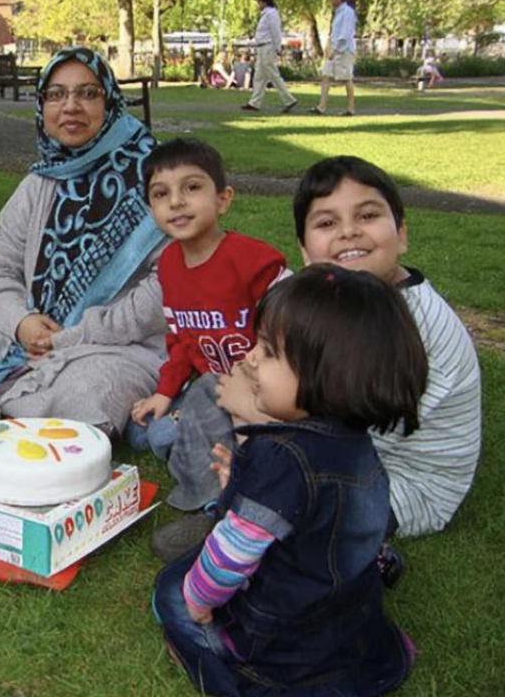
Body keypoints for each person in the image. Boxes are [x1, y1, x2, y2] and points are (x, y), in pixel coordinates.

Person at [165, 156, 482, 555]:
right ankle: (221, 491)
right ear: (305, 250)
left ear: (401, 234)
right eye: (327, 223)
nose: (349, 232)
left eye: (367, 215)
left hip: (397, 488)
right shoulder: (346, 303)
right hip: (355, 453)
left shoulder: (399, 322)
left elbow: (337, 436)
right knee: (219, 387)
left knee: (255, 417)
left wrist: (252, 410)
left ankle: (239, 512)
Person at [153, 263, 425, 697]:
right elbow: (326, 519)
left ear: (325, 373)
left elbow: (231, 553)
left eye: (268, 351)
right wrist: (240, 488)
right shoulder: (357, 444)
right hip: (349, 624)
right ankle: (374, 662)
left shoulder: (280, 456)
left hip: (282, 650)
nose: (250, 358)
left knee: (171, 589)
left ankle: (231, 675)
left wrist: (199, 603)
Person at [0, 47, 167, 435]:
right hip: (25, 336)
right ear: (42, 107)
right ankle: (22, 411)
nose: (70, 106)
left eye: (87, 93)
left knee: (90, 394)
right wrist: (22, 323)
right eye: (56, 94)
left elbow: (168, 286)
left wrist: (75, 335)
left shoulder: (155, 179)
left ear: (110, 102)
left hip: (112, 346)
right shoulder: (39, 182)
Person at [126, 139, 288, 511]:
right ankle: (194, 437)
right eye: (161, 194)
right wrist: (165, 392)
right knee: (142, 431)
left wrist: (256, 393)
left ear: (222, 199)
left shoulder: (254, 260)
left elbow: (291, 333)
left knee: (179, 432)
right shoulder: (169, 265)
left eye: (192, 187)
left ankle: (216, 495)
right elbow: (182, 340)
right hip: (211, 389)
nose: (176, 202)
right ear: (151, 209)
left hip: (262, 393)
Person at [241, 0, 298, 113]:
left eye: (260, 2)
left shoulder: (271, 14)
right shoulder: (266, 14)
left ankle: (289, 99)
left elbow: (275, 32)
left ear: (265, 3)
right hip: (262, 47)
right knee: (259, 77)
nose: (258, 5)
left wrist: (277, 48)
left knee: (273, 74)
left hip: (268, 47)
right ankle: (254, 102)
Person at [311, 0, 357, 116]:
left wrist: (336, 50)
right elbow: (334, 33)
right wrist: (329, 47)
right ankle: (321, 106)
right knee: (326, 76)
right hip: (334, 49)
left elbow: (345, 34)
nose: (331, 0)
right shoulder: (337, 13)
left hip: (344, 51)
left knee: (346, 78)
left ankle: (350, 108)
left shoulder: (347, 12)